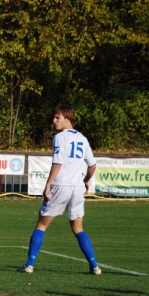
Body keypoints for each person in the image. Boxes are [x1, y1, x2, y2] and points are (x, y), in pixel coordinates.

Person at [19, 104, 101, 275]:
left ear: (68, 119)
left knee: (41, 225)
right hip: (77, 187)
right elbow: (92, 166)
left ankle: (29, 264)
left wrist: (48, 184)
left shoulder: (60, 137)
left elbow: (58, 163)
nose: (54, 120)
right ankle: (94, 266)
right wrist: (86, 180)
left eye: (58, 117)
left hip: (61, 185)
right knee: (78, 228)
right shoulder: (83, 139)